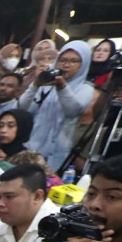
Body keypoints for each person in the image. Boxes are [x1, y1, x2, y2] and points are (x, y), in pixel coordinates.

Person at [22, 40, 96, 171]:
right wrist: (35, 85)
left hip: (58, 154)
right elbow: (24, 108)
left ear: (84, 64)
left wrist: (62, 87)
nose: (66, 65)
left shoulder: (86, 89)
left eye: (73, 61)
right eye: (63, 60)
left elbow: (72, 111)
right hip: (32, 149)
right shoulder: (47, 85)